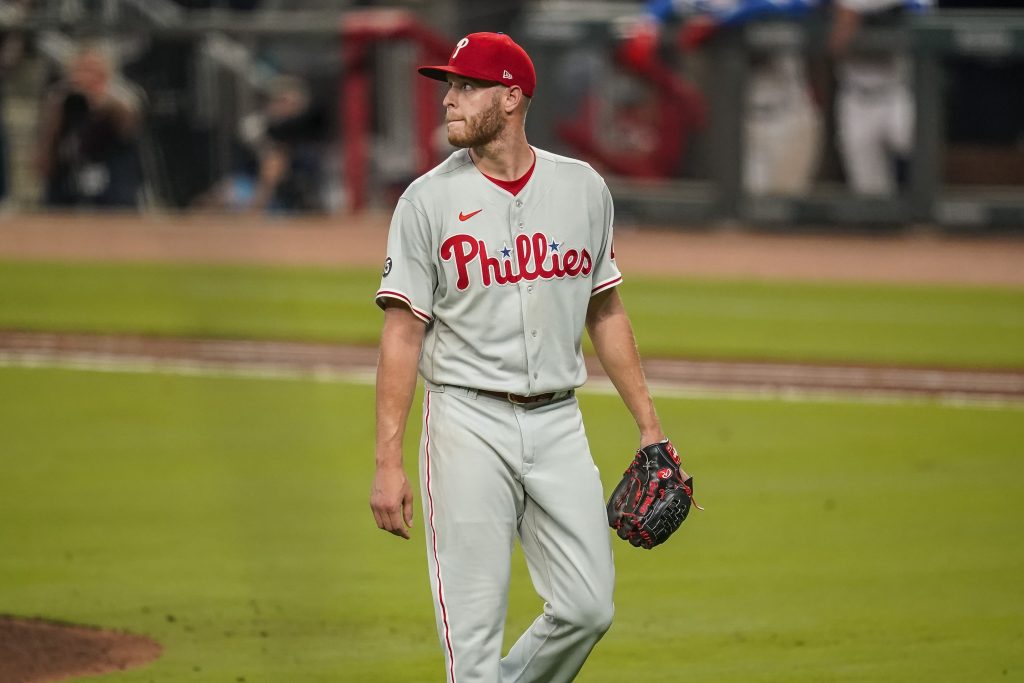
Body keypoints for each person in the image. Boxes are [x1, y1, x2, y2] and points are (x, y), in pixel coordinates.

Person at [370, 32, 682, 683]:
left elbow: (606, 309)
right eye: (448, 87)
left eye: (466, 86)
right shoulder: (426, 202)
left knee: (588, 606)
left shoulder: (583, 189)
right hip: (466, 424)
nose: (449, 101)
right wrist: (387, 461)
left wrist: (650, 425)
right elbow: (402, 332)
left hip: (558, 423)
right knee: (475, 646)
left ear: (511, 97)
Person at [639, 0, 822, 195]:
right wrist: (650, 22)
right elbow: (664, 6)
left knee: (786, 207)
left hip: (789, 117)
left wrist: (725, 18)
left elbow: (804, 5)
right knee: (751, 206)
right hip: (743, 123)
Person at [829, 0, 932, 195]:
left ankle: (916, 214)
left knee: (911, 143)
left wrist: (854, 9)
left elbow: (920, 6)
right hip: (855, 97)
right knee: (869, 192)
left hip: (895, 93)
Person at [35, 45, 144, 208]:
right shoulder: (60, 98)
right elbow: (44, 156)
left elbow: (128, 125)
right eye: (82, 71)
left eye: (94, 72)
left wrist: (98, 101)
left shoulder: (122, 95)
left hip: (113, 180)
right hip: (69, 177)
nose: (87, 78)